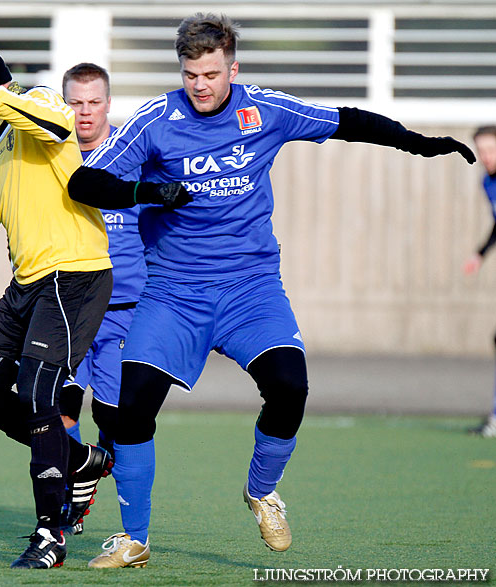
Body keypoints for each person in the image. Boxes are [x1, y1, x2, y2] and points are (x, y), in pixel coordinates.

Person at [67, 13, 475, 568]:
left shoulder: (266, 110)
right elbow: (84, 181)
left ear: (232, 68)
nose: (200, 85)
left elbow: (346, 120)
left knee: (289, 386)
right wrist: (147, 190)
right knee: (131, 409)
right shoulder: (154, 120)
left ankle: (261, 491)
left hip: (249, 288)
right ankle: (133, 537)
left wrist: (418, 143)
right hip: (173, 293)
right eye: (190, 74)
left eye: (210, 73)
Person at [0, 42, 187, 569]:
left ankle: (51, 533)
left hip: (74, 278)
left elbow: (54, 126)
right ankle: (78, 459)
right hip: (27, 284)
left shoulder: (43, 104)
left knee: (37, 396)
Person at [58, 63, 146, 535]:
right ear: (64, 102)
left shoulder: (132, 155)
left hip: (124, 312)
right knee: (58, 407)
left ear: (108, 103)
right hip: (70, 310)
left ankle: (109, 481)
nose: (85, 112)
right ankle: (71, 491)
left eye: (94, 102)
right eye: (76, 102)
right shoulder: (55, 156)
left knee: (112, 418)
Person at [463, 125, 496, 438]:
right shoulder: (488, 182)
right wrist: (480, 254)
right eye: (481, 150)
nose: (486, 157)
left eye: (491, 149)